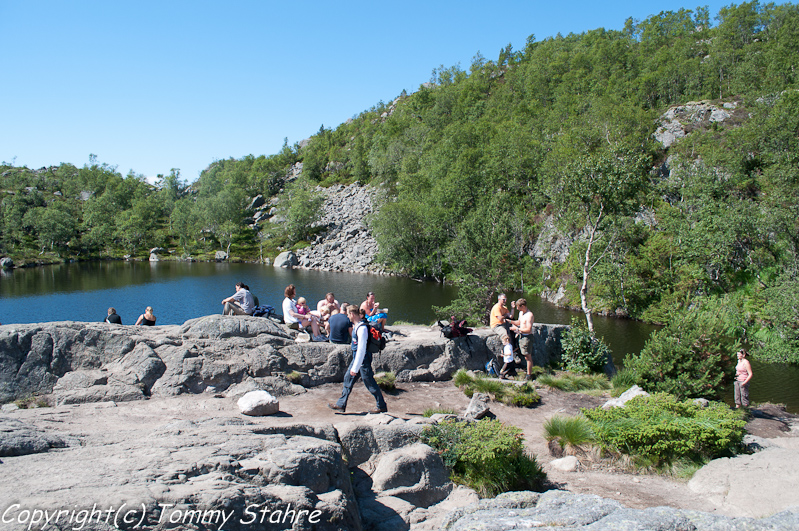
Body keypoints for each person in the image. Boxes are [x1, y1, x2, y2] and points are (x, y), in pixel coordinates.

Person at [328, 306, 388, 414]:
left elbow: (361, 349)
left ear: (352, 314)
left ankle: (381, 405)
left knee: (369, 382)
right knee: (348, 378)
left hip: (363, 360)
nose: (347, 316)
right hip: (358, 359)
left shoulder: (362, 328)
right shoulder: (357, 326)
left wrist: (355, 368)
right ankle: (341, 404)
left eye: (348, 314)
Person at [510, 298, 535, 380]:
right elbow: (519, 322)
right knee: (521, 353)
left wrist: (517, 329)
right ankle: (521, 368)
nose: (517, 309)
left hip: (526, 337)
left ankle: (529, 375)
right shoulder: (521, 313)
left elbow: (528, 329)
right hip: (521, 336)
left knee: (528, 356)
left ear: (523, 306)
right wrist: (510, 322)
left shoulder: (529, 315)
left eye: (518, 307)